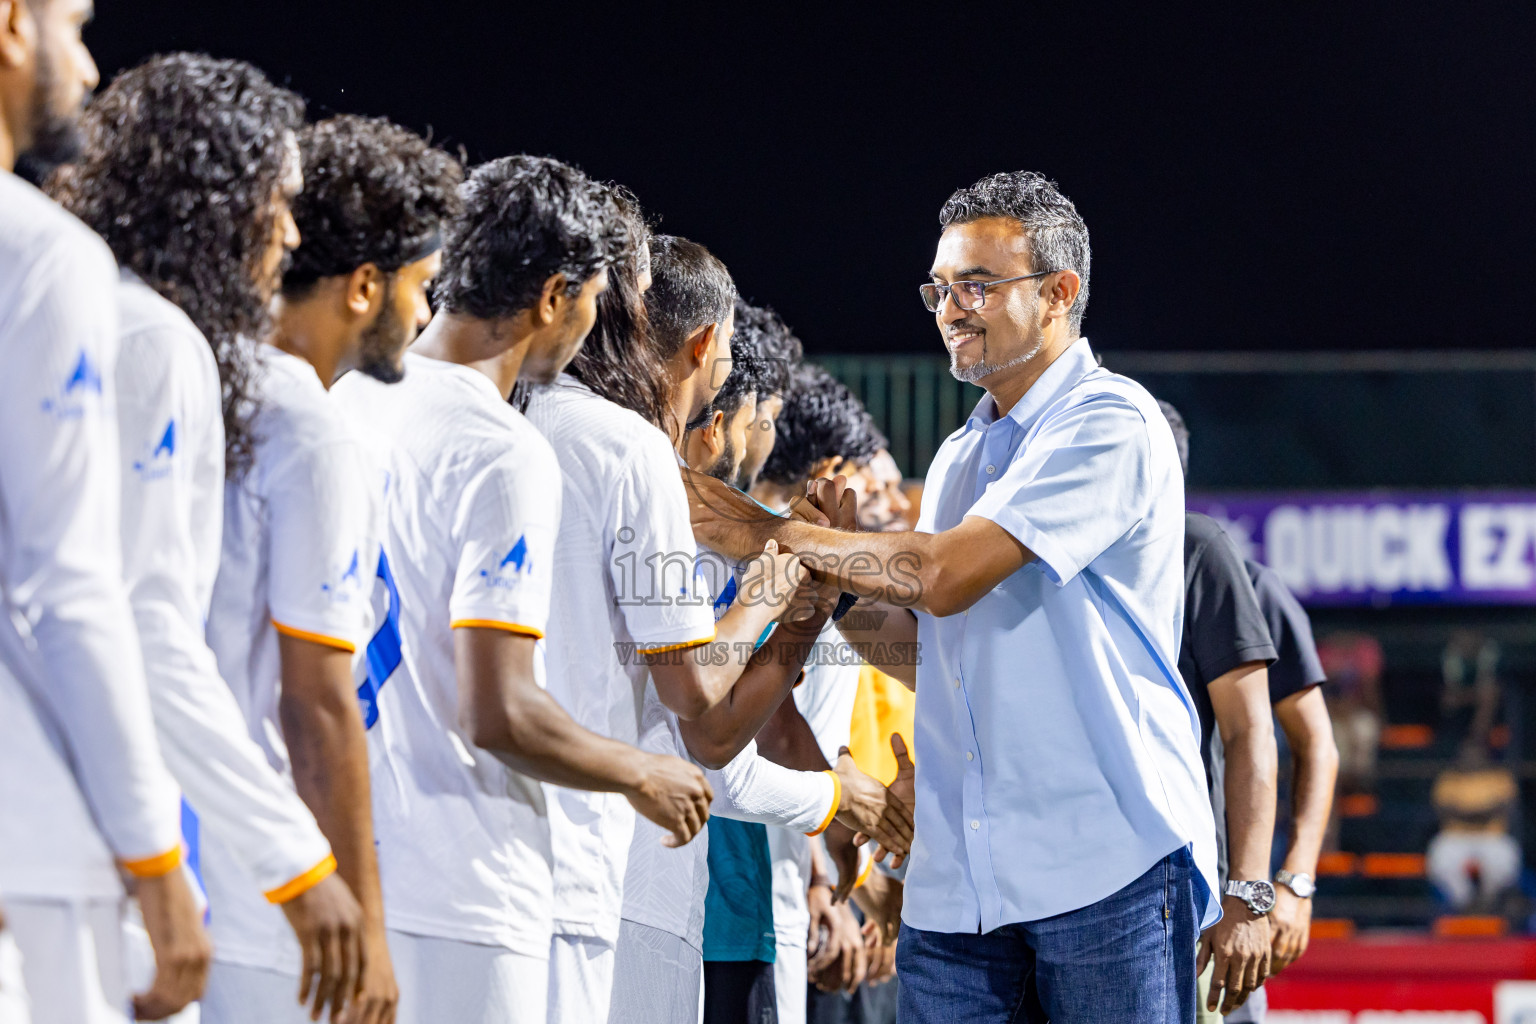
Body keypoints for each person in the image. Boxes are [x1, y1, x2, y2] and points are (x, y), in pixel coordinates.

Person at [688, 170, 1218, 1022]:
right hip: (957, 887)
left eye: (976, 285)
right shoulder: (961, 457)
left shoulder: (1112, 421)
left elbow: (941, 576)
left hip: (1104, 867)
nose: (949, 308)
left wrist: (753, 529)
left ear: (1060, 293)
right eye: (939, 287)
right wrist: (832, 584)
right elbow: (921, 640)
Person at [334, 155, 719, 1024]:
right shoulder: (501, 447)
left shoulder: (349, 399)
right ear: (553, 297)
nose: (596, 327)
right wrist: (639, 772)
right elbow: (497, 709)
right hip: (481, 880)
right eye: (594, 300)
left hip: (364, 858)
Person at [55, 59, 393, 1024]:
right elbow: (146, 632)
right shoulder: (155, 341)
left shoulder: (74, 306)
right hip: (90, 845)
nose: (289, 237)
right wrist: (294, 862)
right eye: (276, 205)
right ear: (213, 205)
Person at [0, 8, 209, 1022]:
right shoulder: (42, 255)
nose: (85, 64)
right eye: (71, 24)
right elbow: (71, 585)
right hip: (34, 833)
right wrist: (155, 855)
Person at [185, 82, 405, 1024]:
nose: (426, 316)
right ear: (365, 285)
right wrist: (362, 914)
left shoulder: (218, 378)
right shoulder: (302, 421)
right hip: (273, 876)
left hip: (208, 848)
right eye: (422, 286)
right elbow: (316, 698)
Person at [1427, 747, 1521, 912]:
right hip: (1456, 836)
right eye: (1467, 752)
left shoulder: (1499, 776)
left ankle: (1488, 901)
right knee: (1441, 857)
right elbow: (1442, 810)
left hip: (1491, 836)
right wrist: (1483, 812)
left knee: (1505, 857)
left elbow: (1506, 807)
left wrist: (1465, 813)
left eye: (1476, 752)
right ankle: (1463, 903)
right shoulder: (1450, 778)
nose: (1471, 755)